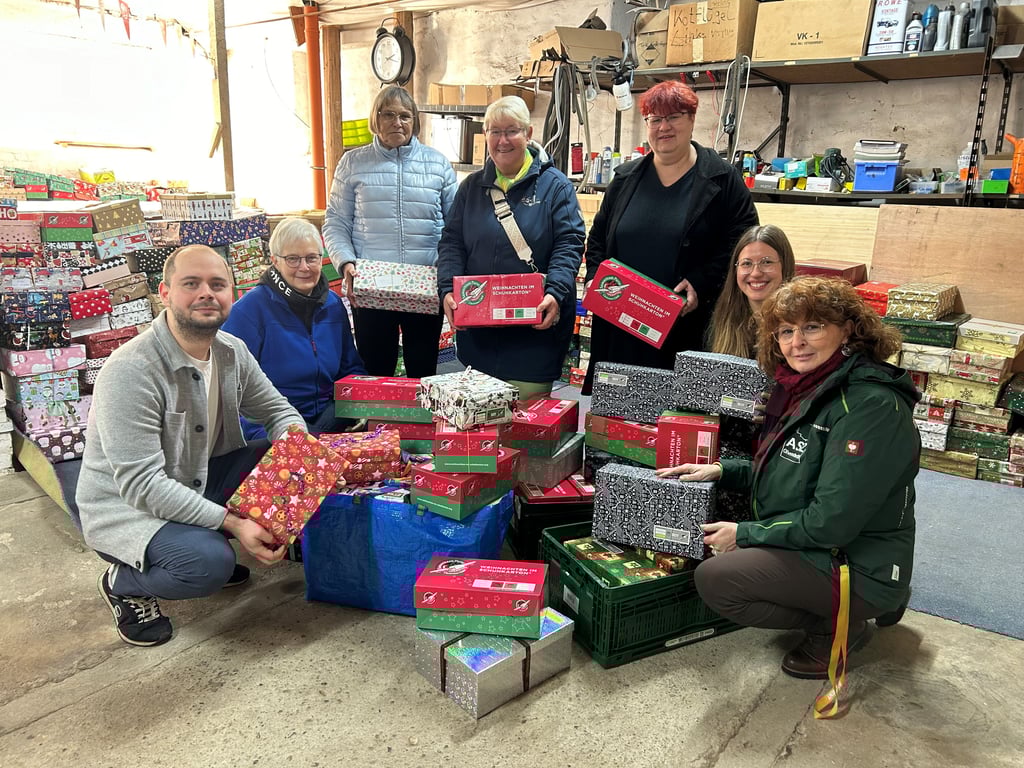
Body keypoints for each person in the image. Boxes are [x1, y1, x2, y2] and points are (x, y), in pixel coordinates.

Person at [656, 277, 919, 685]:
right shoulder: (810, 388)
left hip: (856, 562)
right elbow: (794, 472)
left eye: (813, 327)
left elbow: (831, 521)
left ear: (848, 330)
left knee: (718, 580)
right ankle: (860, 606)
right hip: (829, 548)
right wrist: (723, 469)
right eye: (786, 331)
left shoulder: (869, 407)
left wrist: (744, 533)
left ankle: (840, 623)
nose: (797, 341)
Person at [78, 245, 307, 648]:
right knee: (207, 565)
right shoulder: (131, 370)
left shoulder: (231, 351)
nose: (207, 293)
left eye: (218, 284)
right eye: (191, 284)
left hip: (197, 478)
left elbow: (277, 411)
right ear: (164, 294)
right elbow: (143, 486)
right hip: (129, 507)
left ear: (233, 295)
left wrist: (297, 452)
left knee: (282, 458)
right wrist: (235, 523)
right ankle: (126, 582)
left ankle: (199, 542)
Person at [582, 80, 758, 393]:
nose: (664, 127)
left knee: (678, 419)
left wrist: (702, 281)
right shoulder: (624, 180)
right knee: (618, 418)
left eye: (674, 117)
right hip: (623, 327)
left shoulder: (721, 178)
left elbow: (743, 241)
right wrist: (598, 281)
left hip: (685, 327)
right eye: (655, 119)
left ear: (692, 119)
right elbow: (597, 242)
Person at [436, 95, 585, 400]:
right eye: (494, 131)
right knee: (479, 428)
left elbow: (569, 243)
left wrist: (555, 292)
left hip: (532, 335)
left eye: (512, 131)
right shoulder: (471, 187)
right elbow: (451, 241)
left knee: (527, 430)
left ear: (528, 134)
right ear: (486, 136)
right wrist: (447, 290)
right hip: (479, 336)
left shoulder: (555, 186)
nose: (503, 140)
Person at [322, 85, 457, 379]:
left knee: (423, 372)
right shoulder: (353, 163)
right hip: (371, 286)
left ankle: (420, 424)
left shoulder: (437, 164)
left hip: (424, 284)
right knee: (375, 370)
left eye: (405, 116)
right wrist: (345, 262)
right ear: (376, 119)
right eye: (389, 115)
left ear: (415, 121)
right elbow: (335, 221)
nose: (397, 122)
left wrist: (447, 273)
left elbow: (455, 227)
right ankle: (378, 425)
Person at [222, 216, 366, 438]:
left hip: (328, 416)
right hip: (273, 424)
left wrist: (363, 407)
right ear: (275, 261)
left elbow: (350, 369)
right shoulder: (248, 311)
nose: (304, 267)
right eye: (292, 259)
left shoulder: (333, 304)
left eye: (311, 258)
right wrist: (269, 436)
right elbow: (229, 394)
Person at [708, 224, 796, 358]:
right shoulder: (724, 316)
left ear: (785, 266)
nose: (756, 273)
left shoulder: (801, 320)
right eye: (746, 263)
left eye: (766, 262)